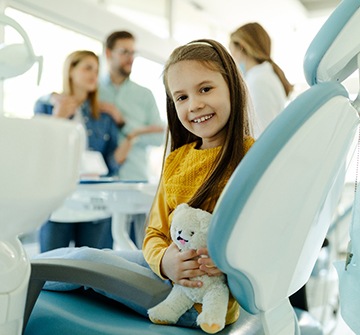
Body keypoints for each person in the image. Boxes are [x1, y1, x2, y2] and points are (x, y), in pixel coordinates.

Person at [37, 38, 255, 331]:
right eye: (181, 97)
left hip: (195, 301)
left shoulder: (252, 156)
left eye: (205, 89)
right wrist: (165, 260)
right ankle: (18, 273)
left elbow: (265, 235)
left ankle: (17, 275)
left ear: (232, 86)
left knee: (85, 260)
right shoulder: (176, 160)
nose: (195, 104)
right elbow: (154, 232)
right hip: (167, 272)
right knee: (90, 255)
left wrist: (230, 263)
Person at [34, 50, 123, 252]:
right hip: (57, 200)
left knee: (94, 270)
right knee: (52, 270)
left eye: (97, 69)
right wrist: (58, 117)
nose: (94, 74)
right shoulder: (47, 105)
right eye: (88, 68)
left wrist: (126, 147)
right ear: (71, 71)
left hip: (95, 199)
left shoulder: (103, 116)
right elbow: (39, 150)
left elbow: (110, 163)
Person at [99, 30, 165, 248]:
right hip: (100, 183)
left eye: (133, 52)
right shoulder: (94, 91)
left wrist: (127, 128)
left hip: (135, 182)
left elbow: (159, 136)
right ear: (109, 53)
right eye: (124, 52)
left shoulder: (144, 95)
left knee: (139, 251)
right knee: (100, 252)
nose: (130, 58)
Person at [229, 22, 293, 139]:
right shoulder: (261, 76)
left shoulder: (259, 81)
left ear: (242, 48)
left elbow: (262, 133)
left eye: (232, 52)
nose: (233, 59)